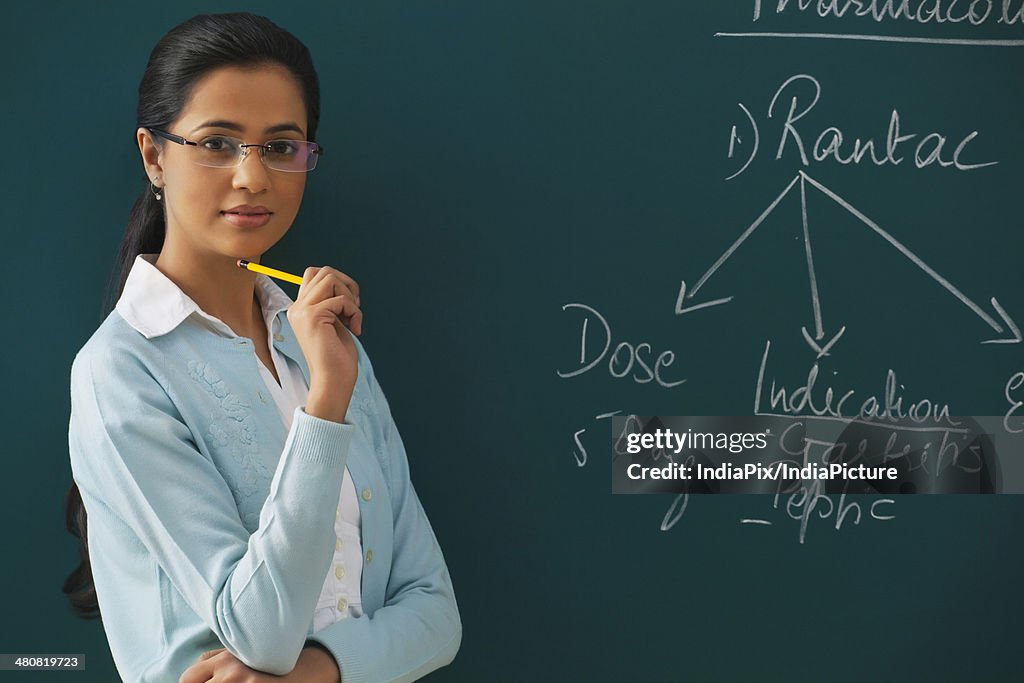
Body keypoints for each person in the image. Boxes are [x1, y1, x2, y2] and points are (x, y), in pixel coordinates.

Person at [63, 12, 461, 682]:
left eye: (281, 147)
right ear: (154, 155)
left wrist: (315, 674)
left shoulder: (325, 345)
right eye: (217, 142)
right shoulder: (122, 371)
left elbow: (436, 614)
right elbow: (260, 632)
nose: (252, 178)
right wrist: (326, 406)